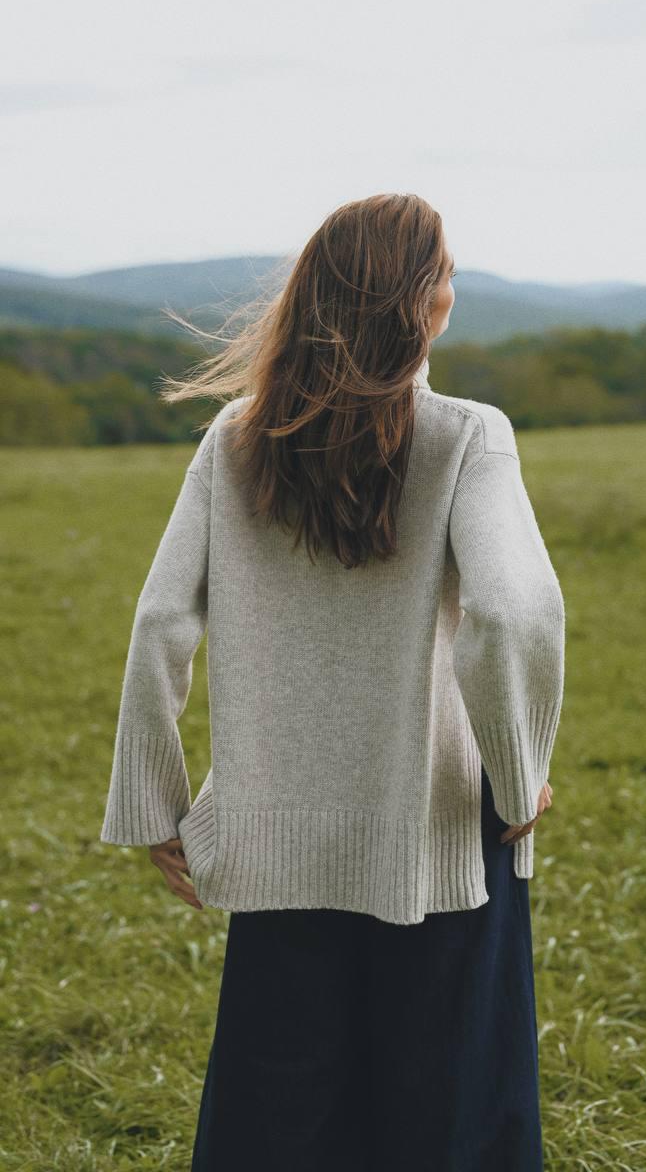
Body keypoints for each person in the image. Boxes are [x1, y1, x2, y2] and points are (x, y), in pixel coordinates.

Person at [99, 191, 566, 1171]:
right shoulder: (468, 435)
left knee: (278, 1115)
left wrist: (153, 803)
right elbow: (510, 613)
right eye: (442, 272)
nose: (452, 287)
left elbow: (158, 619)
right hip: (436, 829)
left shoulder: (233, 439)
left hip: (276, 824)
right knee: (451, 1108)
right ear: (421, 304)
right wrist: (518, 775)